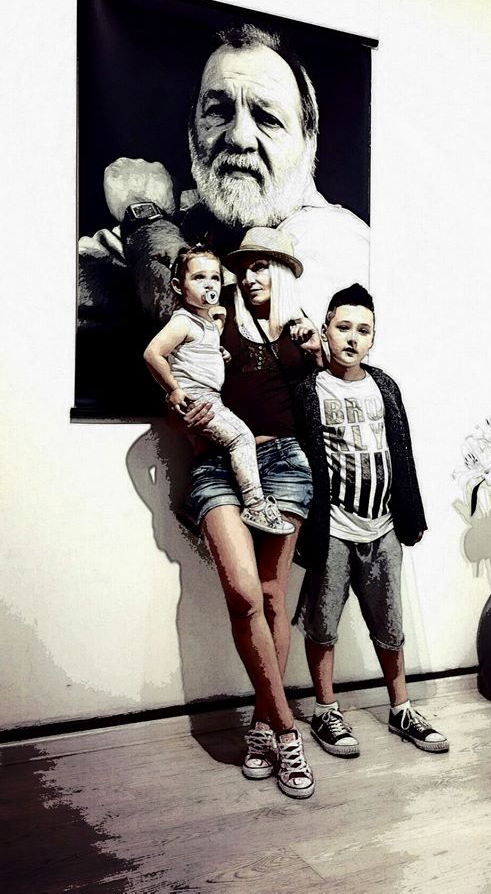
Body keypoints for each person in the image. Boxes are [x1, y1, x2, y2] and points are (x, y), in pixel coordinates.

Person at [77, 23, 369, 408]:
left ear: (308, 140)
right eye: (218, 112)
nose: (238, 137)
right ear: (191, 132)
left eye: (267, 118)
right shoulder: (192, 216)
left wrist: (142, 216)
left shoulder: (338, 238)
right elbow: (66, 293)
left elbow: (242, 363)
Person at [182, 227, 321, 799]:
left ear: (282, 273)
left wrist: (315, 346)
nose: (249, 276)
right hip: (218, 465)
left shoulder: (300, 333)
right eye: (245, 266)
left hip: (285, 464)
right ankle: (288, 730)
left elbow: (335, 380)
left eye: (263, 266)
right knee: (242, 594)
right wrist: (182, 409)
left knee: (270, 596)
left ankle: (263, 727)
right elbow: (176, 374)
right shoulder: (214, 321)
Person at [293, 284, 449, 757]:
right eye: (343, 327)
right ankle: (325, 709)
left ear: (373, 338)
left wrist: (410, 516)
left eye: (363, 330)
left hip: (382, 528)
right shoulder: (308, 389)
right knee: (322, 623)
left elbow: (403, 451)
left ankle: (401, 707)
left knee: (390, 622)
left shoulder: (384, 386)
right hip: (333, 530)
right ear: (326, 329)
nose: (352, 338)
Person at [142, 242, 294, 536]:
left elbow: (197, 351)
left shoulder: (206, 323)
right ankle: (255, 504)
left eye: (215, 277)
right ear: (178, 286)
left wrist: (218, 353)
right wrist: (173, 390)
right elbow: (153, 353)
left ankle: (193, 506)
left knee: (225, 445)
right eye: (199, 277)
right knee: (241, 438)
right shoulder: (183, 321)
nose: (209, 284)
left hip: (212, 397)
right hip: (199, 397)